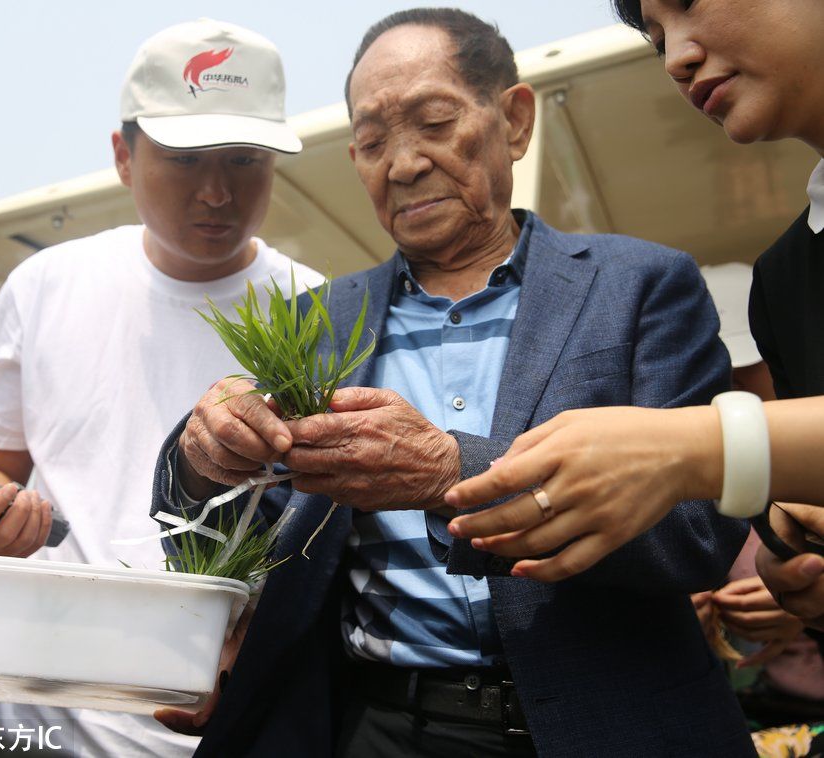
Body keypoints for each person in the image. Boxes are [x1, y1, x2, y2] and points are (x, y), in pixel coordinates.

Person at [154, 9, 755, 757]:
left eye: (434, 122)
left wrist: (451, 473)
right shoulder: (320, 320)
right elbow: (224, 533)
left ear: (514, 119)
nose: (402, 164)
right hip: (375, 729)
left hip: (607, 722)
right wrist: (201, 457)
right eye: (372, 143)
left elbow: (699, 533)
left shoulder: (639, 286)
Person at [0, 19, 320, 758]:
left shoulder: (318, 311)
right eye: (183, 158)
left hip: (232, 721)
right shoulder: (43, 287)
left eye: (244, 158)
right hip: (42, 717)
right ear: (124, 156)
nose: (217, 190)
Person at [445, 0, 824, 634]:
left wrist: (685, 448)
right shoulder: (785, 278)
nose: (678, 58)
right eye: (655, 40)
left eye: (689, 2)